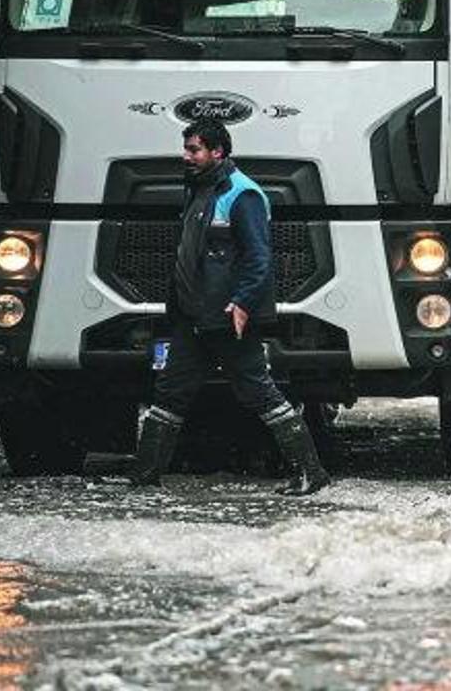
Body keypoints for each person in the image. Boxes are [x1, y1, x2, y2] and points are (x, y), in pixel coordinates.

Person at [129, 119, 331, 496]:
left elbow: (259, 258)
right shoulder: (198, 190)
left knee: (259, 393)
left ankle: (311, 472)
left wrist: (241, 302)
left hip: (229, 319)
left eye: (194, 149)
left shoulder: (243, 194)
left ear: (217, 152)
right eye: (187, 148)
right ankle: (144, 479)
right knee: (169, 394)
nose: (186, 156)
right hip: (193, 317)